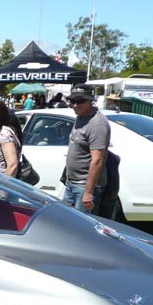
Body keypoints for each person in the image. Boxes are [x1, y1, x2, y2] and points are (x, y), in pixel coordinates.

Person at [64, 84, 110, 214]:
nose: (75, 105)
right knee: (65, 221)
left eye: (80, 101)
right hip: (71, 183)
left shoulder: (97, 124)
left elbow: (98, 160)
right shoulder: (81, 117)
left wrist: (88, 192)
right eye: (72, 101)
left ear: (91, 101)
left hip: (84, 187)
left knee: (82, 225)